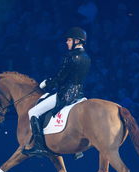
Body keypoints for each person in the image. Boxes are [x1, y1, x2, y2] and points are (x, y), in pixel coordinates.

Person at [22, 27, 91, 157]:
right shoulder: (87, 57)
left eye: (69, 40)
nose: (67, 42)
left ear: (77, 41)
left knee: (33, 112)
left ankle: (39, 146)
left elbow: (60, 77)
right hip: (79, 94)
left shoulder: (71, 56)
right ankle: (77, 149)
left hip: (65, 95)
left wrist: (47, 83)